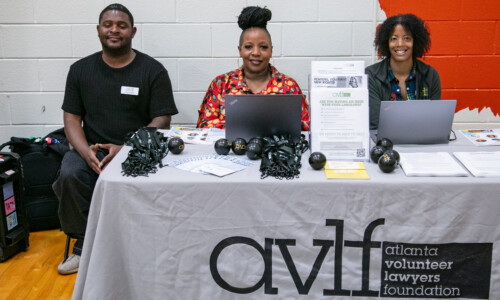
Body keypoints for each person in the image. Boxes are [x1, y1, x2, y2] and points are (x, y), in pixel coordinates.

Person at [53, 3, 178, 275]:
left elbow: (162, 120)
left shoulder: (152, 70)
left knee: (161, 179)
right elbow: (72, 118)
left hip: (138, 149)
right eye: (108, 25)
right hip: (93, 150)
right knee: (70, 174)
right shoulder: (80, 70)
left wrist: (127, 148)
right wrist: (84, 150)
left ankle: (141, 247)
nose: (114, 30)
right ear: (98, 30)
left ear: (133, 31)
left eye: (121, 25)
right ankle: (84, 245)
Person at [197, 6, 310, 131]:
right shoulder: (221, 84)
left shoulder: (289, 86)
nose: (256, 52)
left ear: (271, 51)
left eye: (263, 47)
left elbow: (307, 126)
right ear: (240, 50)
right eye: (248, 46)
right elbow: (203, 126)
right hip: (230, 150)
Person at [365, 13, 441, 130]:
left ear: (415, 42)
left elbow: (436, 121)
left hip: (422, 142)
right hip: (386, 143)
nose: (400, 44)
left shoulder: (430, 75)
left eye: (407, 38)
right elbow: (375, 125)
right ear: (386, 42)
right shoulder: (371, 76)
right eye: (394, 39)